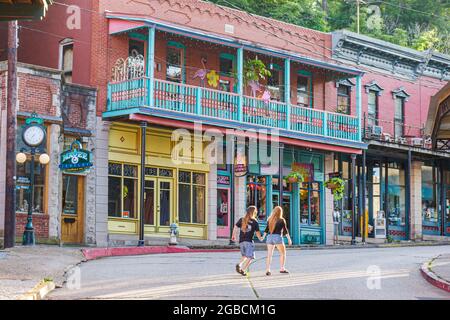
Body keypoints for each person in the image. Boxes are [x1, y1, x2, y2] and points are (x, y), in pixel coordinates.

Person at [231, 206, 264, 276]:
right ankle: (243, 270)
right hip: (249, 241)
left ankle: (239, 264)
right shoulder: (255, 222)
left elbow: (235, 226)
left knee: (245, 256)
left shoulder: (242, 219)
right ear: (254, 212)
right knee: (250, 257)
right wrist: (261, 238)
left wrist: (233, 235)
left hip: (241, 241)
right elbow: (258, 233)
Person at [263, 206, 292, 276]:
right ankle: (282, 268)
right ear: (280, 212)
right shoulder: (281, 220)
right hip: (277, 237)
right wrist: (289, 239)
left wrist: (262, 237)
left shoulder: (269, 219)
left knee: (269, 254)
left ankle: (268, 270)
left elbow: (266, 229)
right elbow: (285, 230)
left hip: (269, 237)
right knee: (283, 253)